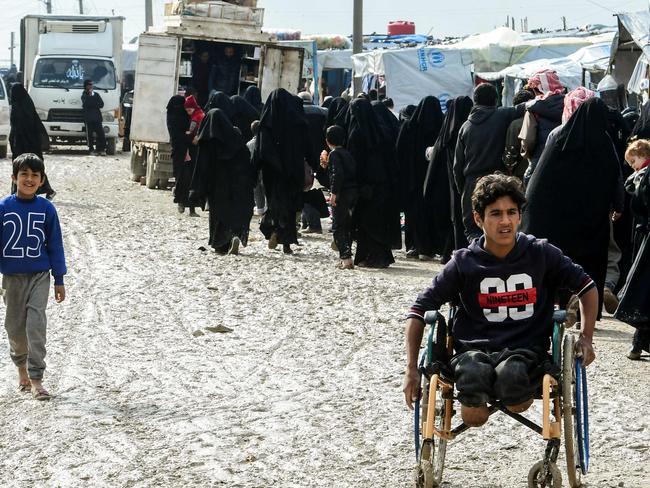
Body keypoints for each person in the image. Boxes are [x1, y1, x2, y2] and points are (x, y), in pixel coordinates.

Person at [403, 174, 597, 426]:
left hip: (526, 351)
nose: (505, 221)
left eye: (511, 212)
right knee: (473, 397)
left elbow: (587, 286)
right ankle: (476, 398)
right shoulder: (463, 263)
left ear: (519, 216)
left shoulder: (540, 254)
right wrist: (410, 369)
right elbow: (419, 309)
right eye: (495, 213)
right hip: (472, 352)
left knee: (512, 377)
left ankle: (508, 389)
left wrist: (587, 337)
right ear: (478, 218)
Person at [522, 96, 623, 322]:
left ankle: (557, 305)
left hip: (559, 216)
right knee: (590, 262)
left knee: (558, 258)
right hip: (592, 219)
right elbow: (615, 177)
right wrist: (619, 205)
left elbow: (541, 180)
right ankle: (587, 308)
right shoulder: (605, 143)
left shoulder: (559, 137)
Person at [1, 153, 67, 400]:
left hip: (40, 276)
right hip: (12, 279)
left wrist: (59, 278)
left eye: (34, 175)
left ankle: (37, 379)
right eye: (24, 174)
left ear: (42, 180)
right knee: (15, 329)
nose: (29, 179)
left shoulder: (47, 209)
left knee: (36, 326)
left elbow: (55, 245)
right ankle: (22, 371)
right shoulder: (3, 208)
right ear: (14, 178)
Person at [454, 83, 526, 240]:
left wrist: (465, 189)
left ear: (475, 100)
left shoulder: (465, 126)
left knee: (473, 231)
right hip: (498, 184)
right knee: (500, 230)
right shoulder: (503, 115)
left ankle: (479, 260)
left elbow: (457, 165)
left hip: (471, 183)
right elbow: (527, 106)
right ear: (495, 99)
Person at [190, 109, 254, 255]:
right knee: (234, 211)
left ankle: (220, 244)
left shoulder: (208, 141)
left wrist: (198, 189)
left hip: (217, 185)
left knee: (218, 214)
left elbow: (203, 166)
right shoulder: (235, 138)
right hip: (237, 184)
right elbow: (246, 161)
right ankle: (234, 236)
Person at [346, 97, 400, 267]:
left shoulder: (356, 133)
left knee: (366, 221)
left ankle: (373, 257)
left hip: (365, 185)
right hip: (382, 183)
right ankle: (373, 256)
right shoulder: (380, 131)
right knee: (375, 221)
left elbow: (355, 161)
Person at [255, 88, 310, 254]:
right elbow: (307, 146)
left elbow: (261, 150)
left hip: (273, 173)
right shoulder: (297, 122)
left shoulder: (266, 124)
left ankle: (271, 228)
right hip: (293, 172)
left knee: (274, 203)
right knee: (290, 206)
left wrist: (255, 169)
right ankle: (286, 242)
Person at [397, 96, 445, 260]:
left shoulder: (409, 128)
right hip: (434, 181)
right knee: (433, 213)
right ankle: (433, 246)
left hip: (413, 181)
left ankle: (414, 246)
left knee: (414, 214)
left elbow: (399, 153)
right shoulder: (442, 126)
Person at [615, 140, 650, 360]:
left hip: (646, 238)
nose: (632, 166)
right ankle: (638, 344)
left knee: (643, 290)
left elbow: (640, 203)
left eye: (633, 161)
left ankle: (638, 344)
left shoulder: (644, 177)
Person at [8, 84, 56, 199]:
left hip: (24, 143)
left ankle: (16, 192)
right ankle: (47, 190)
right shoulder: (26, 103)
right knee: (32, 167)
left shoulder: (19, 106)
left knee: (23, 167)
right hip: (30, 143)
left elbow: (18, 127)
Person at [520, 70, 566, 184]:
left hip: (541, 162)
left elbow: (528, 140)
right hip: (566, 160)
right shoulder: (570, 102)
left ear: (539, 89)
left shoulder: (532, 109)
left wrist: (527, 154)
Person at [323, 125, 358, 269]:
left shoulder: (334, 154)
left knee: (338, 226)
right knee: (347, 225)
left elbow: (337, 175)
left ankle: (346, 258)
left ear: (327, 141)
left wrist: (333, 193)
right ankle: (347, 255)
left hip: (342, 193)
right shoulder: (347, 153)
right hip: (353, 192)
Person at [166, 95, 192, 214]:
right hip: (183, 150)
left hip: (181, 151)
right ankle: (182, 202)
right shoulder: (180, 116)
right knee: (182, 178)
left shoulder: (171, 115)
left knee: (184, 177)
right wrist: (188, 137)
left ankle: (186, 204)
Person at [502, 89, 535, 181]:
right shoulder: (541, 119)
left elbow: (511, 150)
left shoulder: (515, 124)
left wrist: (509, 168)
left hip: (521, 172)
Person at [181, 95, 205, 217]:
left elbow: (191, 133)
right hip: (197, 152)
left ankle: (191, 208)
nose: (188, 113)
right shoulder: (201, 114)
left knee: (190, 180)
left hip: (193, 152)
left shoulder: (196, 118)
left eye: (189, 110)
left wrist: (186, 135)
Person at [81, 79, 106, 156]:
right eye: (89, 85)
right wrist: (93, 101)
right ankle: (91, 149)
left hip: (97, 118)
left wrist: (93, 102)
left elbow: (101, 104)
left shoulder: (96, 94)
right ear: (86, 86)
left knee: (101, 134)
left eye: (91, 85)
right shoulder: (84, 95)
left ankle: (101, 149)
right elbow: (86, 103)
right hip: (88, 118)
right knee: (90, 135)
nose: (91, 86)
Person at [247, 120, 266, 216]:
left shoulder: (249, 144)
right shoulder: (265, 142)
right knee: (266, 188)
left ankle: (260, 209)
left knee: (257, 190)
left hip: (254, 170)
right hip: (264, 169)